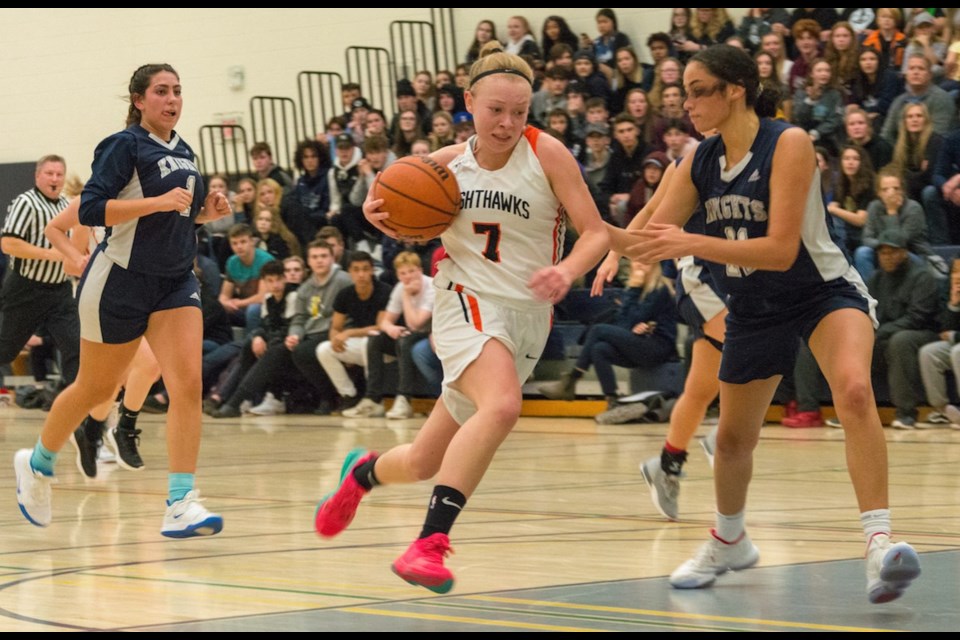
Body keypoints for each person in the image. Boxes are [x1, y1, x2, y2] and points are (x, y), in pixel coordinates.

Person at [616, 45, 920, 604]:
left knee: (853, 390)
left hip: (819, 291)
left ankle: (878, 542)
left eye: (698, 89)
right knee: (732, 441)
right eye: (683, 91)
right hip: (753, 305)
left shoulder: (789, 143)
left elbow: (781, 249)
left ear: (735, 90)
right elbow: (644, 235)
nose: (687, 102)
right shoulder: (697, 161)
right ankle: (729, 539)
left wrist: (687, 241)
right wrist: (575, 247)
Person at [313, 42, 609, 593]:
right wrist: (378, 215)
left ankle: (362, 474)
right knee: (502, 408)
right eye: (496, 109)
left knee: (426, 459)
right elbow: (384, 204)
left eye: (519, 112)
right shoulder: (445, 165)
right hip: (465, 302)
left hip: (526, 319)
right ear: (469, 101)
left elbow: (596, 232)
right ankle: (428, 544)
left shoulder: (548, 155)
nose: (507, 123)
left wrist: (567, 270)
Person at [14, 63, 232, 538]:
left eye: (177, 91)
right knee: (95, 389)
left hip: (174, 281)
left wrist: (204, 214)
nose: (172, 99)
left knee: (188, 385)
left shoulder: (186, 149)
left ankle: (180, 500)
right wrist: (156, 203)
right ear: (138, 100)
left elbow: (176, 217)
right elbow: (91, 208)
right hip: (120, 280)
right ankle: (37, 462)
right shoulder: (124, 144)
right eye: (161, 91)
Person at [0, 155, 80, 396]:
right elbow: (8, 244)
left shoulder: (68, 205)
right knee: (6, 350)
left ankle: (79, 408)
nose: (55, 179)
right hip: (26, 288)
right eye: (49, 173)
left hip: (60, 291)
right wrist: (48, 253)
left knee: (75, 347)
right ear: (37, 176)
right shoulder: (25, 203)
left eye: (59, 174)